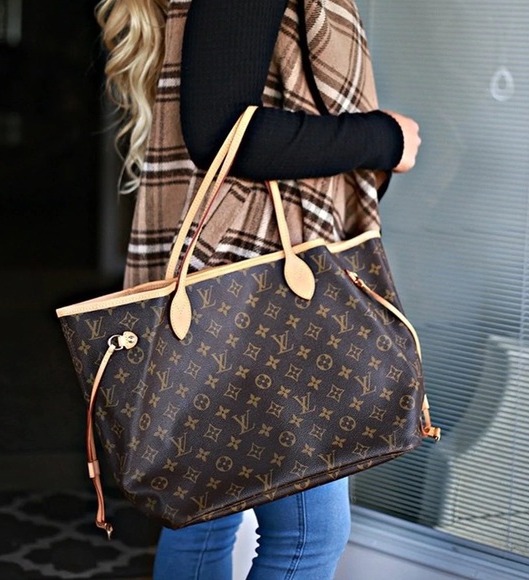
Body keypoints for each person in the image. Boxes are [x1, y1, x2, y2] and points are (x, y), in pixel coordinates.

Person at [95, 0, 421, 578]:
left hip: (229, 279)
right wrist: (384, 137)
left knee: (205, 516)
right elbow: (226, 132)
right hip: (260, 281)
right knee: (308, 534)